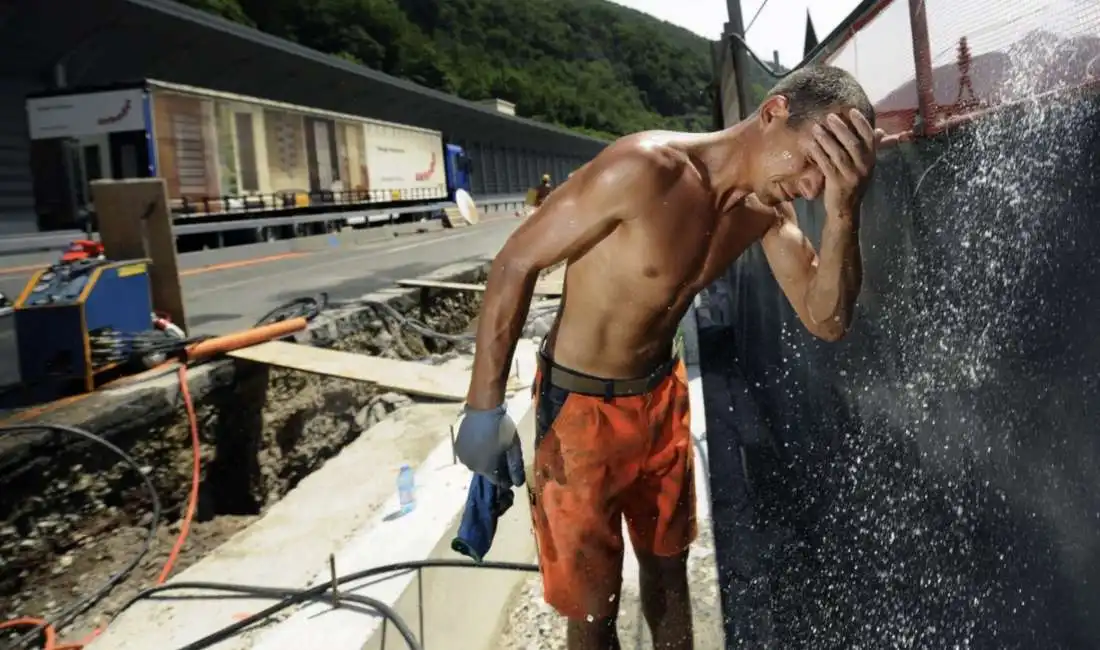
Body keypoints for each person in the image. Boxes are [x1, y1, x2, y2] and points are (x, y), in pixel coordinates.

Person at [455, 65, 883, 650]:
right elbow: (516, 262)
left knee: (668, 575)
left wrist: (844, 211)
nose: (811, 186)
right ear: (773, 113)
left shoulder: (765, 211)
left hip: (662, 400)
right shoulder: (643, 171)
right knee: (593, 609)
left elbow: (826, 319)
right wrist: (484, 409)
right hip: (580, 411)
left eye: (828, 177)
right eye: (810, 162)